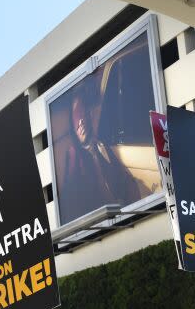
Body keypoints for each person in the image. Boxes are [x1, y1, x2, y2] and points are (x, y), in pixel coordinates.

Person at [56, 81, 143, 222]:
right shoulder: (73, 155)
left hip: (121, 214)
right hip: (100, 222)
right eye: (76, 117)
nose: (81, 122)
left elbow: (121, 177)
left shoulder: (101, 146)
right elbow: (72, 202)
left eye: (83, 114)